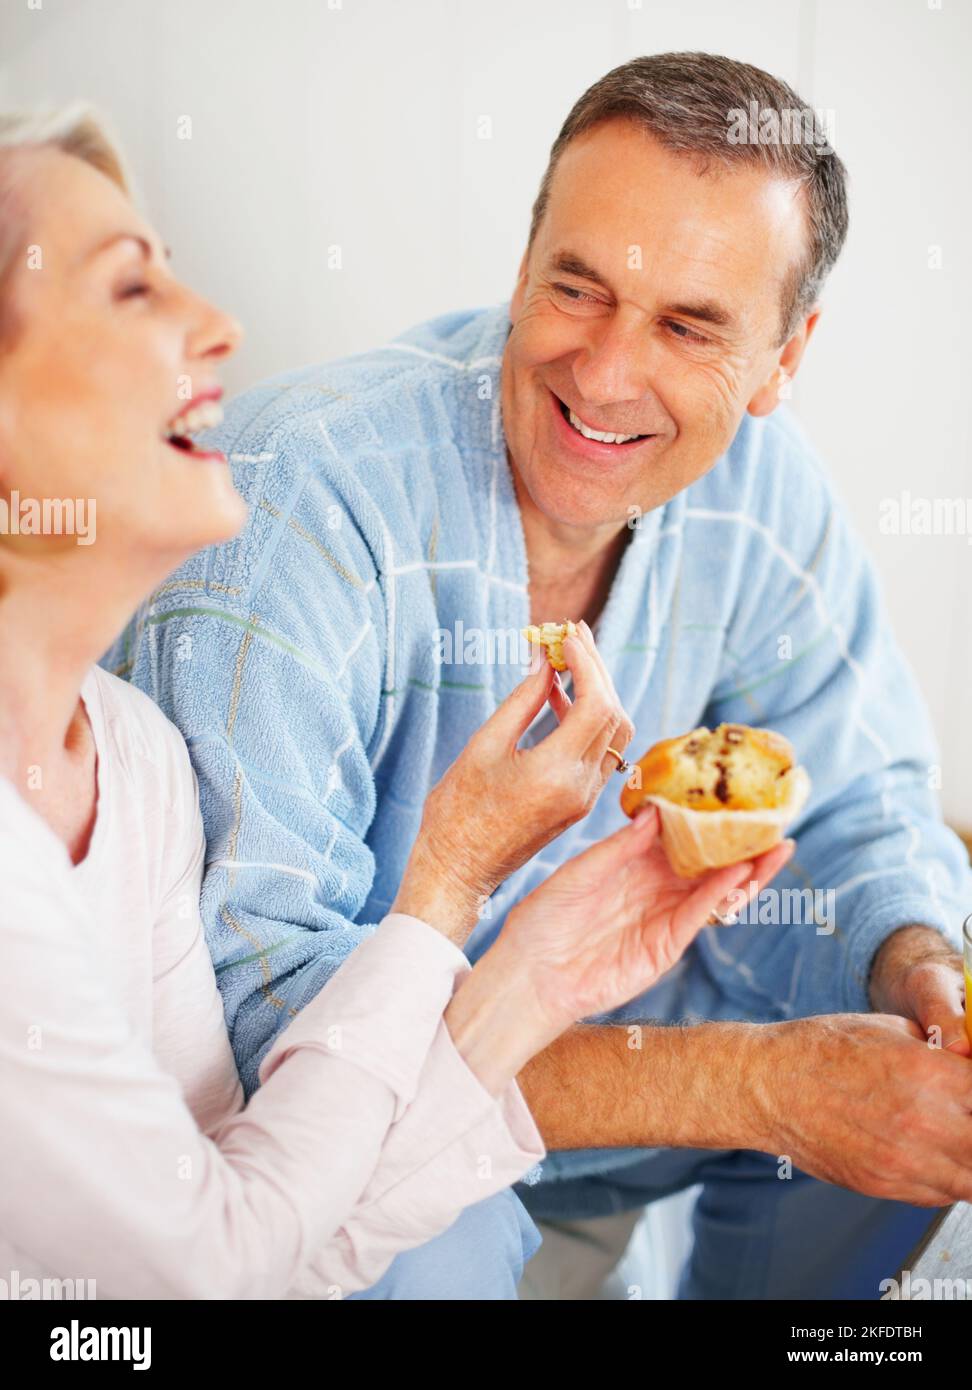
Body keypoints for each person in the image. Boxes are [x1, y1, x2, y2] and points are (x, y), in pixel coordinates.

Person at [109, 52, 972, 1301]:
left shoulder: (767, 499)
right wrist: (756, 1079)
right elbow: (267, 1035)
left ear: (785, 357)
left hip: (629, 1132)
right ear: (523, 264)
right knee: (422, 1240)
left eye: (689, 325)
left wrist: (918, 968)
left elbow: (853, 805)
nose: (607, 372)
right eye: (578, 287)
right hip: (366, 1166)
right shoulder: (294, 504)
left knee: (915, 1122)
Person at [0, 105, 793, 1300]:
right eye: (131, 292)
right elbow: (210, 1266)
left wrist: (536, 961)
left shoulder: (136, 763)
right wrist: (456, 876)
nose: (221, 329)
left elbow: (276, 1213)